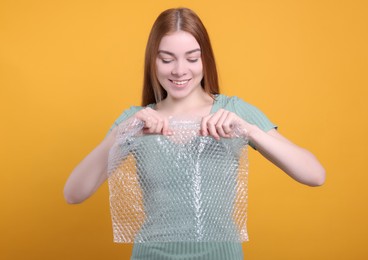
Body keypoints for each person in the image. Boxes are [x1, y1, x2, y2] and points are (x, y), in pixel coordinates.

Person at [64, 7, 325, 260]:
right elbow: (74, 193)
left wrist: (248, 130)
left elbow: (314, 174)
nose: (179, 70)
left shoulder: (232, 111)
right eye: (167, 59)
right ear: (152, 61)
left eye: (191, 58)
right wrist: (123, 132)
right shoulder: (137, 121)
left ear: (205, 59)